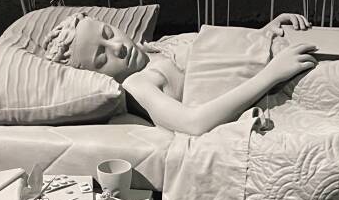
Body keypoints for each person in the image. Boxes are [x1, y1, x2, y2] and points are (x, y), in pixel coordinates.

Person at [45, 11, 318, 135]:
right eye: (102, 57)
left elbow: (219, 60)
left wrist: (262, 34)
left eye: (108, 34)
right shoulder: (138, 84)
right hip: (276, 85)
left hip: (278, 55)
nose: (118, 47)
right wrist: (271, 74)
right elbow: (193, 123)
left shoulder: (158, 46)